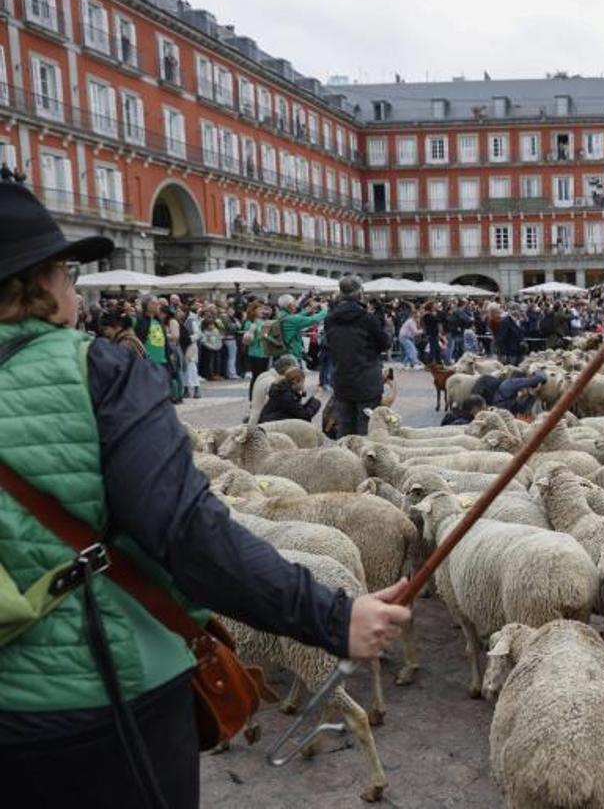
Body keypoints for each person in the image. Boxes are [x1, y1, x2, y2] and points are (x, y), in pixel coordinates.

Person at [0, 183, 411, 808]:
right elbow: (187, 534)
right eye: (66, 270)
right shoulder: (96, 370)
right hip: (103, 697)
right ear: (35, 282)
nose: (75, 288)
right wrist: (332, 617)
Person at [324, 276, 391, 437]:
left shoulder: (330, 319)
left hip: (342, 378)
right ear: (360, 292)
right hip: (367, 379)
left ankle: (345, 460)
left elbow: (329, 345)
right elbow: (385, 344)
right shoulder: (367, 318)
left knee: (345, 427)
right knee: (367, 428)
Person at [276, 293, 328, 364]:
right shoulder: (292, 319)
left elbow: (296, 317)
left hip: (284, 351)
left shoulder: (281, 315)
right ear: (290, 305)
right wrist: (325, 309)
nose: (296, 305)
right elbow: (314, 319)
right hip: (292, 353)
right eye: (294, 303)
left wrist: (308, 311)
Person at [247, 354, 298, 425]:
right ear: (287, 368)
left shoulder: (264, 375)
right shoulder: (274, 382)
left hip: (255, 418)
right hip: (262, 423)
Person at [241, 301, 269, 400]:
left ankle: (261, 396)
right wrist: (259, 335)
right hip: (255, 352)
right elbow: (248, 341)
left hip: (265, 352)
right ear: (253, 310)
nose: (262, 311)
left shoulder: (263, 321)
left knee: (263, 377)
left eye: (263, 309)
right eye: (260, 309)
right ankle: (253, 398)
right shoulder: (250, 323)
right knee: (256, 376)